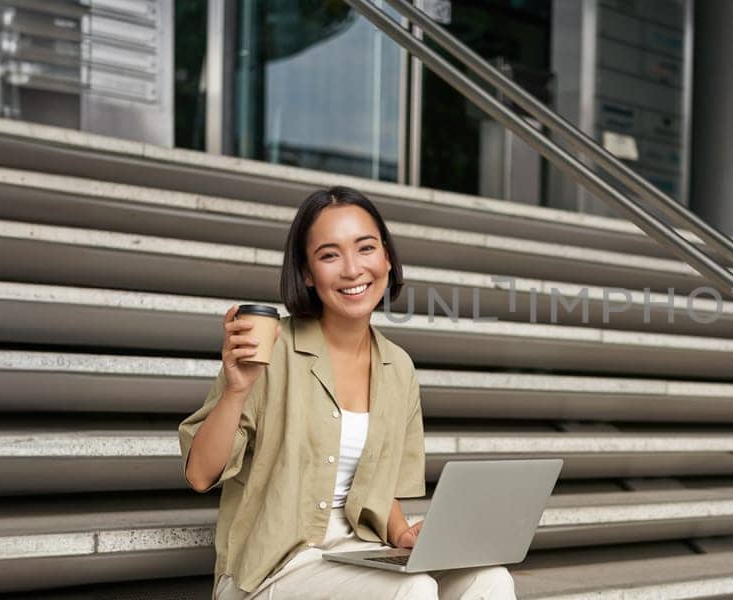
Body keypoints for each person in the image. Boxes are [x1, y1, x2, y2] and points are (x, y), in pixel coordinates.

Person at [179, 186, 516, 599]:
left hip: (360, 555)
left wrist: (404, 533)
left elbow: (381, 491)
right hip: (274, 568)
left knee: (491, 578)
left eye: (366, 248)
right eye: (329, 255)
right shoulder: (272, 349)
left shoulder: (398, 368)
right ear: (306, 272)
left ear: (387, 258)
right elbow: (200, 475)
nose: (353, 269)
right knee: (413, 591)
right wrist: (236, 389)